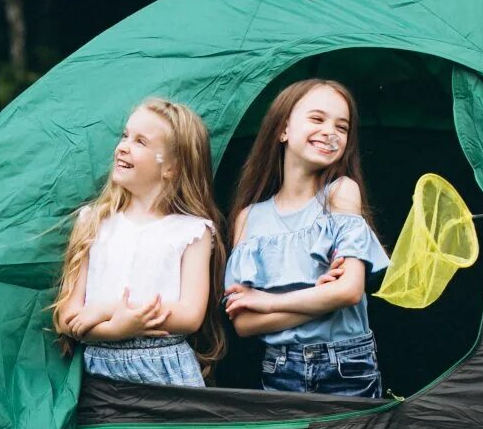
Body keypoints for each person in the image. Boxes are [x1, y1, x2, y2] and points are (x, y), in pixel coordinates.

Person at [223, 79, 390, 399]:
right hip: (280, 368)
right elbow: (244, 322)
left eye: (342, 127)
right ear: (282, 130)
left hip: (345, 363)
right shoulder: (249, 217)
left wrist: (268, 302)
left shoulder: (341, 192)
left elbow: (349, 291)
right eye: (317, 119)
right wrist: (320, 296)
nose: (331, 131)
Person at [52, 98, 228, 387]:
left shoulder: (193, 231)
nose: (122, 146)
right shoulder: (93, 221)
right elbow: (67, 316)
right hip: (98, 374)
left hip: (165, 370)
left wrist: (106, 309)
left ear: (171, 167)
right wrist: (114, 329)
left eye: (140, 142)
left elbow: (190, 315)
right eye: (125, 136)